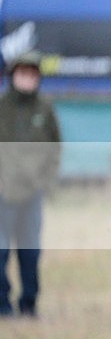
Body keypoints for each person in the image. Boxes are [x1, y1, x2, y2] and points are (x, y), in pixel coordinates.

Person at [0, 51, 61, 317]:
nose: (28, 79)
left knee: (30, 251)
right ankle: (2, 303)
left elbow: (54, 147)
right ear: (13, 76)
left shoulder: (44, 108)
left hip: (32, 192)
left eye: (33, 74)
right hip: (3, 192)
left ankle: (29, 303)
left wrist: (46, 181)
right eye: (23, 74)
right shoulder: (2, 107)